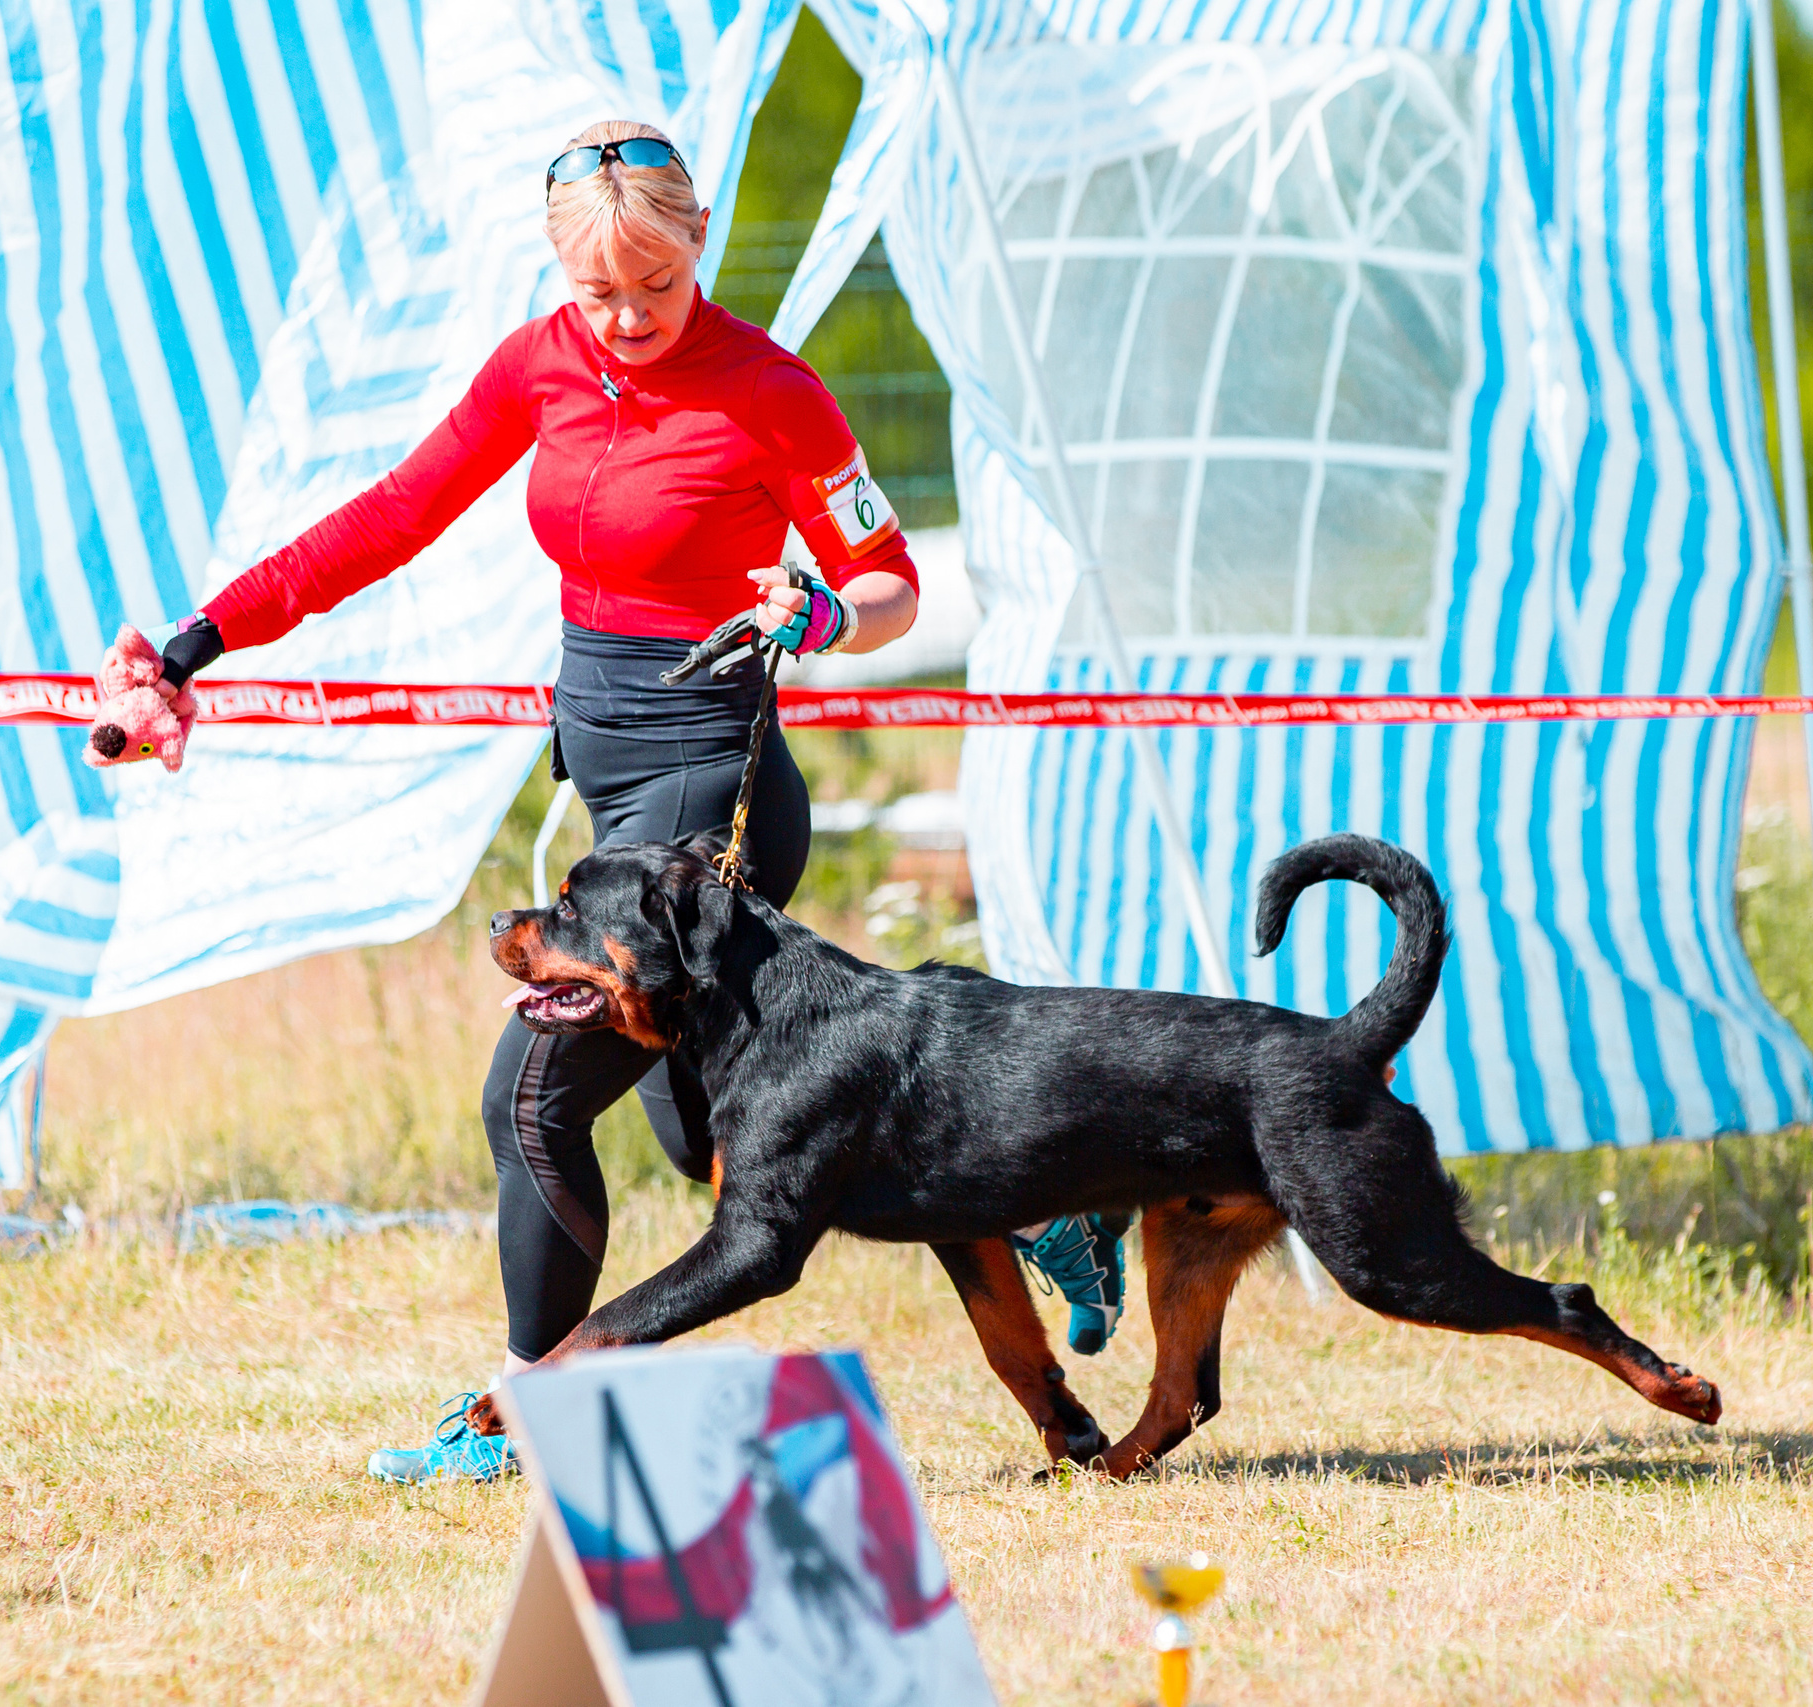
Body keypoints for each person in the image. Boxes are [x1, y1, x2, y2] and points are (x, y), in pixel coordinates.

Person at [129, 120, 1132, 1480]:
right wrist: (198, 640)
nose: (626, 316)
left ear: (698, 242)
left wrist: (824, 616)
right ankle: (1033, 1199)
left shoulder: (770, 390)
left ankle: (520, 1419)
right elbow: (387, 518)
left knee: (531, 1102)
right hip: (613, 802)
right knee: (705, 1134)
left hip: (711, 804)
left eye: (655, 284)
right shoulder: (538, 364)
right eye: (597, 289)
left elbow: (889, 581)